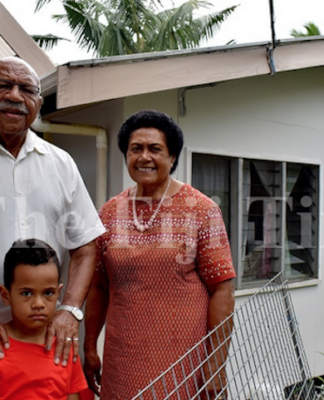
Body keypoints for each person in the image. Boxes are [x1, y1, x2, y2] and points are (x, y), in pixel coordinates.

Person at [83, 109, 236, 399]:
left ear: (172, 157)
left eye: (155, 149)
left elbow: (222, 289)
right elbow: (99, 285)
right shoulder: (109, 212)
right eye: (135, 149)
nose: (144, 157)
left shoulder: (201, 210)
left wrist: (216, 365)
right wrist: (90, 345)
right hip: (121, 360)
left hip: (181, 360)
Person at [0, 56, 105, 365]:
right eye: (4, 86)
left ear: (39, 102)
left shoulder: (60, 164)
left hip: (47, 339)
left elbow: (86, 246)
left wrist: (70, 310)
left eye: (26, 89)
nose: (15, 96)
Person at [0, 238, 88, 400]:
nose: (38, 304)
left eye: (48, 293)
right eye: (27, 293)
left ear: (59, 292)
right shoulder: (1, 347)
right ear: (6, 295)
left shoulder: (65, 348)